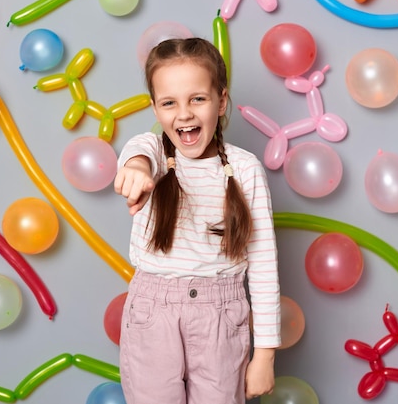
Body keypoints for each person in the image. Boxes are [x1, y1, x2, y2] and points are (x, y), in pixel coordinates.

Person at [114, 37, 281, 404]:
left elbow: (265, 267)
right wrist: (137, 170)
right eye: (169, 102)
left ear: (221, 101)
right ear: (155, 109)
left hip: (222, 316)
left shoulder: (245, 169)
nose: (184, 114)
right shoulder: (153, 153)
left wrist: (265, 353)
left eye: (197, 99)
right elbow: (138, 152)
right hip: (153, 314)